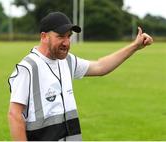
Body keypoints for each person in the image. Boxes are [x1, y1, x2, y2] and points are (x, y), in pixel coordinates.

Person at [8, 11, 153, 141]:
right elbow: (14, 114)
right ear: (44, 36)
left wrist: (134, 46)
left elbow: (100, 66)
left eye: (69, 36)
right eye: (60, 37)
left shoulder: (67, 60)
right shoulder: (28, 68)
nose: (66, 42)